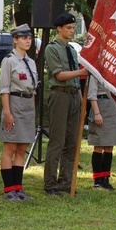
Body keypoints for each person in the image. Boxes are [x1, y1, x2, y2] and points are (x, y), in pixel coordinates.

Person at [43, 12, 88, 196]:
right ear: (59, 29)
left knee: (72, 141)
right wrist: (81, 73)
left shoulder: (71, 50)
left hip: (73, 95)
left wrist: (80, 99)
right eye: (68, 28)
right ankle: (50, 183)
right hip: (59, 95)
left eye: (73, 28)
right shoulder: (52, 49)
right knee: (57, 140)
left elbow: (74, 80)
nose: (71, 31)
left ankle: (66, 181)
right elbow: (59, 75)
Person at [0, 24, 38, 201]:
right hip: (14, 103)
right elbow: (4, 88)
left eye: (29, 38)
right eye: (23, 38)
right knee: (10, 147)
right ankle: (9, 189)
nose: (27, 40)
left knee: (22, 147)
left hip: (28, 104)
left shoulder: (30, 61)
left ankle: (18, 188)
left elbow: (33, 87)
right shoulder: (9, 60)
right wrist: (7, 112)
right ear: (15, 40)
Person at [87, 75, 116, 190]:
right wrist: (97, 113)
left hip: (114, 107)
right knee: (99, 145)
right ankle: (97, 180)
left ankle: (105, 179)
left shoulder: (115, 69)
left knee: (110, 146)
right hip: (101, 105)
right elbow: (92, 94)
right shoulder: (96, 70)